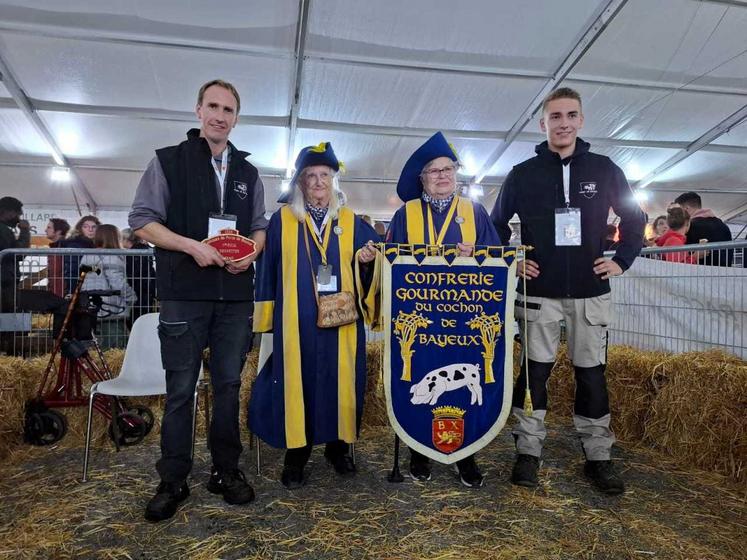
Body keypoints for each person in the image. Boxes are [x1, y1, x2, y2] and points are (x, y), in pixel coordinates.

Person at [491, 87, 645, 495]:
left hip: (590, 291)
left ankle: (598, 455)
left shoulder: (605, 168)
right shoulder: (522, 174)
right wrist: (513, 260)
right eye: (555, 116)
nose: (563, 123)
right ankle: (528, 451)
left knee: (591, 374)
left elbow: (635, 218)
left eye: (570, 115)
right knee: (534, 373)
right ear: (542, 123)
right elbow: (494, 225)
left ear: (581, 120)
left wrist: (621, 259)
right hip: (538, 292)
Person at [129, 79, 267, 522]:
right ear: (197, 111)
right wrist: (192, 247)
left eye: (228, 109)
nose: (219, 115)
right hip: (184, 296)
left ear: (236, 118)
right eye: (213, 106)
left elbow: (260, 226)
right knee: (180, 391)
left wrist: (250, 254)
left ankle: (226, 471)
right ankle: (173, 479)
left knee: (227, 388)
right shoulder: (168, 161)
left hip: (233, 300)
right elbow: (142, 222)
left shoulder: (248, 173)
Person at [248, 142, 379, 489]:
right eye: (311, 177)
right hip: (296, 320)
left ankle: (338, 449)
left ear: (334, 181)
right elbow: (267, 270)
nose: (318, 183)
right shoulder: (283, 220)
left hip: (343, 322)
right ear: (301, 183)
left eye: (324, 176)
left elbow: (376, 266)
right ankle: (297, 454)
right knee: (297, 383)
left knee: (342, 382)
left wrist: (367, 262)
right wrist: (266, 319)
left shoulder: (352, 221)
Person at [387, 131, 500, 488]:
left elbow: (497, 258)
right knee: (422, 375)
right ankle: (419, 449)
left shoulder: (475, 212)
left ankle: (466, 453)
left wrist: (478, 255)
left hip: (465, 315)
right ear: (422, 178)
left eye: (448, 168)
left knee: (463, 388)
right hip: (420, 316)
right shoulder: (406, 214)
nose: (442, 176)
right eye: (433, 171)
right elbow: (391, 261)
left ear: (456, 173)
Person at [79, 224, 136, 349]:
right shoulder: (113, 257)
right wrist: (132, 298)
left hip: (93, 306)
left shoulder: (87, 256)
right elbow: (118, 283)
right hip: (112, 308)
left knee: (101, 346)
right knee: (116, 348)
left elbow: (83, 281)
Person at [673, 191, 733, 266]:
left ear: (686, 209)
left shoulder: (688, 227)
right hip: (726, 273)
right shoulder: (724, 226)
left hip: (698, 274)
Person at [120, 228, 157, 326]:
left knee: (137, 320)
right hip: (147, 290)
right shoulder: (145, 249)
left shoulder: (133, 253)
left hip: (139, 291)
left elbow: (134, 274)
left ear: (125, 239)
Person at [0, 197, 30, 312]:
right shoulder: (3, 231)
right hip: (5, 283)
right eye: (18, 214)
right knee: (8, 317)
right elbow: (18, 253)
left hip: (5, 280)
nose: (18, 218)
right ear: (9, 212)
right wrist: (25, 231)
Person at [59, 215, 100, 294]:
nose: (90, 230)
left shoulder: (95, 245)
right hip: (77, 285)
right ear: (80, 228)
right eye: (86, 227)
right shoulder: (75, 245)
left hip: (88, 284)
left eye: (94, 227)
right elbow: (73, 269)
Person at [45, 218, 70, 297]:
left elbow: (58, 272)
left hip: (60, 293)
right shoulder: (60, 247)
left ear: (58, 231)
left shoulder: (63, 248)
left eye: (49, 228)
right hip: (58, 291)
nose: (45, 230)